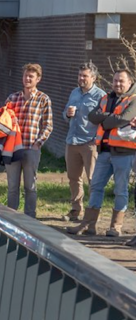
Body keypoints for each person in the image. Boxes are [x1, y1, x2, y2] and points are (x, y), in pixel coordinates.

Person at [68, 70, 136, 239]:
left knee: (120, 190)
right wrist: (111, 117)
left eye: (121, 81)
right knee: (96, 186)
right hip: (104, 152)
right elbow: (92, 116)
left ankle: (115, 227)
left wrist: (106, 120)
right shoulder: (106, 98)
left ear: (130, 82)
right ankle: (88, 225)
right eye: (115, 81)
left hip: (124, 152)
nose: (117, 84)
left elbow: (123, 119)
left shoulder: (134, 99)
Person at [2, 63, 53, 218]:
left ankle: (30, 216)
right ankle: (11, 216)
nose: (27, 79)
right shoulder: (13, 97)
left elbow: (48, 124)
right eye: (25, 75)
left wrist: (39, 143)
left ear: (38, 79)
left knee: (30, 185)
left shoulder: (43, 99)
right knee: (12, 186)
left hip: (31, 147)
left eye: (31, 76)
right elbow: (3, 120)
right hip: (13, 148)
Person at [61, 63, 106, 222]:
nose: (81, 78)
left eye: (84, 76)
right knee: (74, 178)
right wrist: (67, 113)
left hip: (90, 143)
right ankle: (75, 210)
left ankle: (93, 213)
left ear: (93, 77)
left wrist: (97, 141)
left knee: (93, 179)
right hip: (72, 141)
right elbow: (64, 114)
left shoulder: (101, 96)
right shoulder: (74, 92)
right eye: (79, 75)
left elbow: (104, 121)